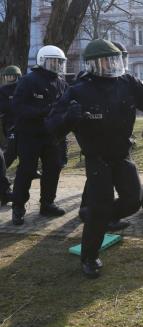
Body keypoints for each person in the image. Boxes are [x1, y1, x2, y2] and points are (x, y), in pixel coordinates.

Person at [46, 39, 143, 279]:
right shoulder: (78, 90)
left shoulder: (126, 82)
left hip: (121, 154)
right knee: (100, 206)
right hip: (97, 158)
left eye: (114, 60)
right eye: (104, 61)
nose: (110, 65)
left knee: (132, 201)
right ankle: (89, 257)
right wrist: (68, 118)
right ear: (92, 65)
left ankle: (97, 219)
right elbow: (52, 126)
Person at [11, 45, 69, 226]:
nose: (57, 66)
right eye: (53, 62)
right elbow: (18, 107)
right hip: (30, 134)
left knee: (53, 168)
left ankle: (47, 203)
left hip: (52, 135)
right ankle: (18, 207)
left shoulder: (60, 81)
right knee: (26, 170)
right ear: (42, 61)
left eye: (60, 62)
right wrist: (43, 111)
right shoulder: (28, 80)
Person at [0, 65, 22, 169]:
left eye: (11, 76)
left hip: (24, 123)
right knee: (11, 151)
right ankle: (2, 173)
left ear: (17, 76)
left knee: (26, 150)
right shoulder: (2, 90)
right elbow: (4, 107)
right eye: (6, 76)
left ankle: (29, 169)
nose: (8, 78)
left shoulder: (23, 87)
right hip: (10, 124)